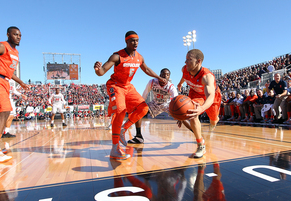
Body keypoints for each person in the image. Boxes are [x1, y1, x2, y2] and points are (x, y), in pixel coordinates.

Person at [94, 31, 167, 160]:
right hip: (115, 85)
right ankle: (115, 148)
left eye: (137, 40)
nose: (135, 43)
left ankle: (123, 129)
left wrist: (158, 77)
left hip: (127, 86)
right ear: (126, 41)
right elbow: (102, 71)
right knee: (121, 110)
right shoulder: (117, 56)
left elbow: (147, 69)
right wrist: (98, 70)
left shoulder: (139, 57)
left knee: (144, 108)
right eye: (132, 40)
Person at [0, 26, 29, 163]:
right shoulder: (1, 46)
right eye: (15, 34)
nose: (18, 37)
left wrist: (21, 82)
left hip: (5, 81)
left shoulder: (16, 52)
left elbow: (9, 72)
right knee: (4, 111)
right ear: (8, 34)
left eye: (20, 35)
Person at [128, 68, 192, 144]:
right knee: (139, 111)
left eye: (167, 75)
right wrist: (140, 105)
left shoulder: (171, 87)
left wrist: (179, 116)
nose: (165, 76)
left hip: (166, 104)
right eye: (163, 74)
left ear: (169, 77)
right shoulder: (152, 82)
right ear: (159, 75)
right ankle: (139, 137)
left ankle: (197, 135)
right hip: (154, 104)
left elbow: (176, 100)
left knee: (182, 117)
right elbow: (145, 94)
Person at [177, 49, 221, 158]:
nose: (185, 62)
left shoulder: (207, 76)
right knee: (192, 113)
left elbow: (210, 96)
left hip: (211, 96)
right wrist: (180, 84)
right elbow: (184, 76)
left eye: (189, 60)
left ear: (198, 61)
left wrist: (202, 108)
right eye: (186, 59)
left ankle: (212, 126)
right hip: (195, 93)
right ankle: (200, 144)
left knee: (214, 120)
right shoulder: (185, 69)